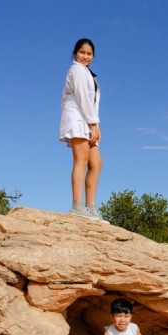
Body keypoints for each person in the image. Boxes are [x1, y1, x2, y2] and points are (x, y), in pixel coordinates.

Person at [59, 38, 107, 222]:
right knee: (82, 160)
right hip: (77, 119)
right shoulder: (77, 70)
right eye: (82, 52)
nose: (85, 56)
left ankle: (91, 207)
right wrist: (93, 124)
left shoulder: (87, 72)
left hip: (88, 121)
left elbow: (92, 103)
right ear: (75, 53)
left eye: (89, 54)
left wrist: (96, 126)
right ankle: (77, 206)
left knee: (97, 164)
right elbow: (82, 99)